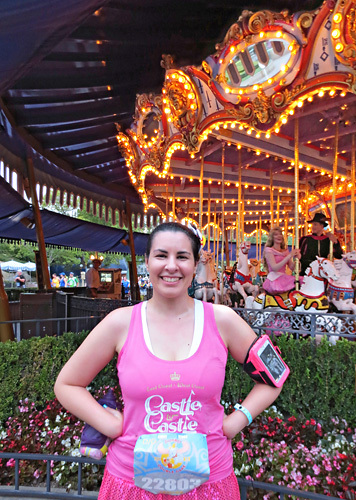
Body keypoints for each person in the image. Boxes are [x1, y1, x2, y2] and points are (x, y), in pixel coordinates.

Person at [54, 222, 285, 500]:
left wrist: (237, 420)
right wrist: (110, 425)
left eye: (183, 257)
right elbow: (67, 384)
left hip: (210, 483)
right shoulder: (121, 323)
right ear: (148, 261)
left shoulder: (223, 320)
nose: (171, 266)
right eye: (161, 255)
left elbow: (275, 375)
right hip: (131, 483)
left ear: (196, 263)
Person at [299, 212, 343, 276]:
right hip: (308, 271)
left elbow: (338, 255)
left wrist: (335, 242)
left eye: (315, 224)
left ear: (322, 226)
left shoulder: (327, 240)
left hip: (323, 272)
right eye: (313, 225)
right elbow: (302, 256)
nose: (313, 227)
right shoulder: (306, 240)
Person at [262, 227, 300, 295]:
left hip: (283, 277)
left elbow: (292, 268)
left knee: (300, 280)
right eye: (276, 234)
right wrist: (289, 256)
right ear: (272, 237)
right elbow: (274, 268)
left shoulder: (285, 251)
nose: (279, 236)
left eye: (280, 234)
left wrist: (297, 259)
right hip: (274, 277)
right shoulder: (269, 250)